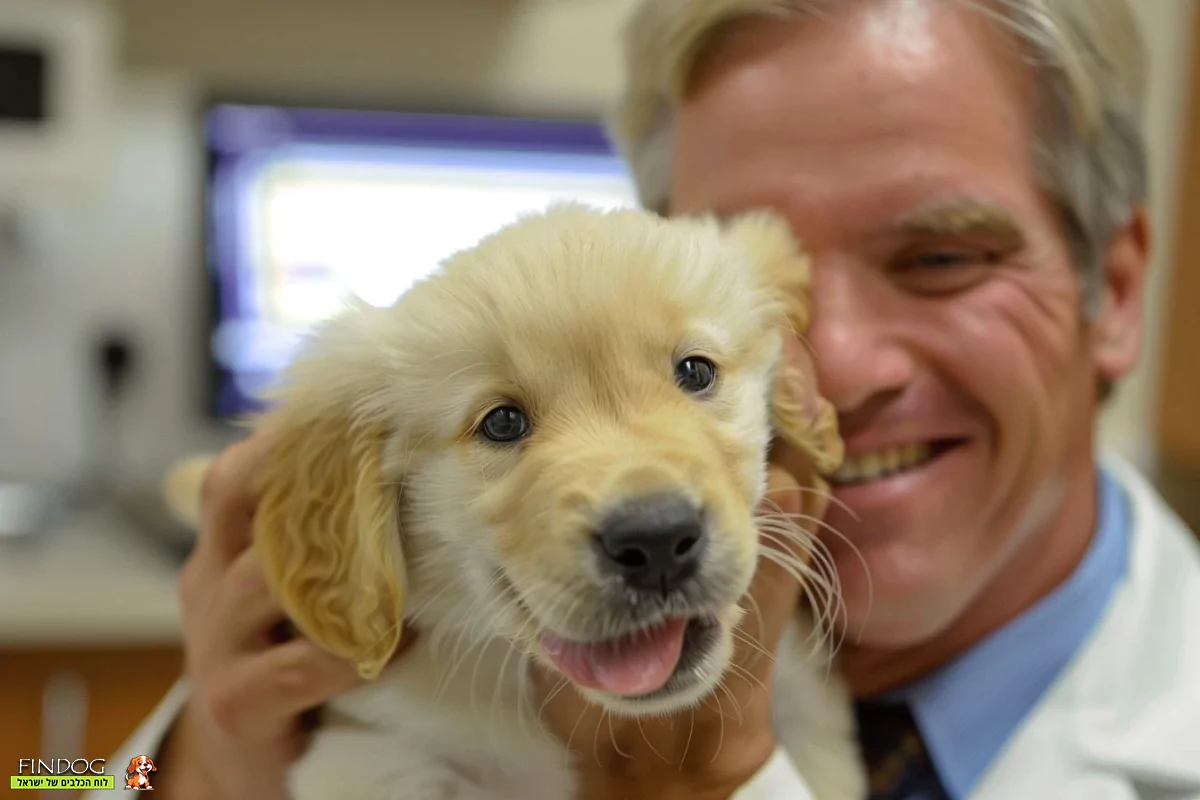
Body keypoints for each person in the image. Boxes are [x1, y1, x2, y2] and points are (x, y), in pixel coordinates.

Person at [91, 0, 1200, 798]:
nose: (841, 363)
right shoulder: (410, 646)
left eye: (943, 258)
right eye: (790, 289)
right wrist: (186, 770)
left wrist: (720, 777)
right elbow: (50, 774)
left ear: (1111, 288)